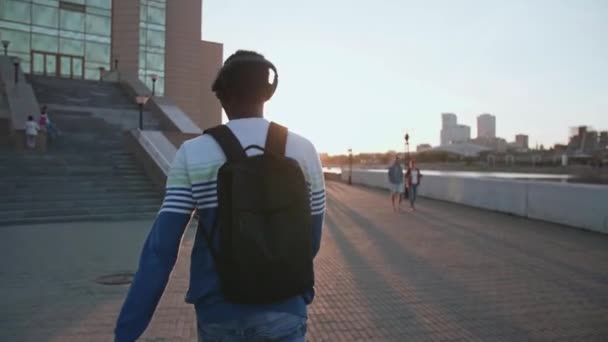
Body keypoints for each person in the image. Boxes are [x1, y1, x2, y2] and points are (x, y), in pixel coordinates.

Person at [115, 50, 325, 342]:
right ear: (267, 94)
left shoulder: (193, 152)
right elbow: (310, 240)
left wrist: (127, 331)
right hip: (286, 309)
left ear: (222, 97)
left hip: (220, 312)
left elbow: (161, 250)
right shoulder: (304, 150)